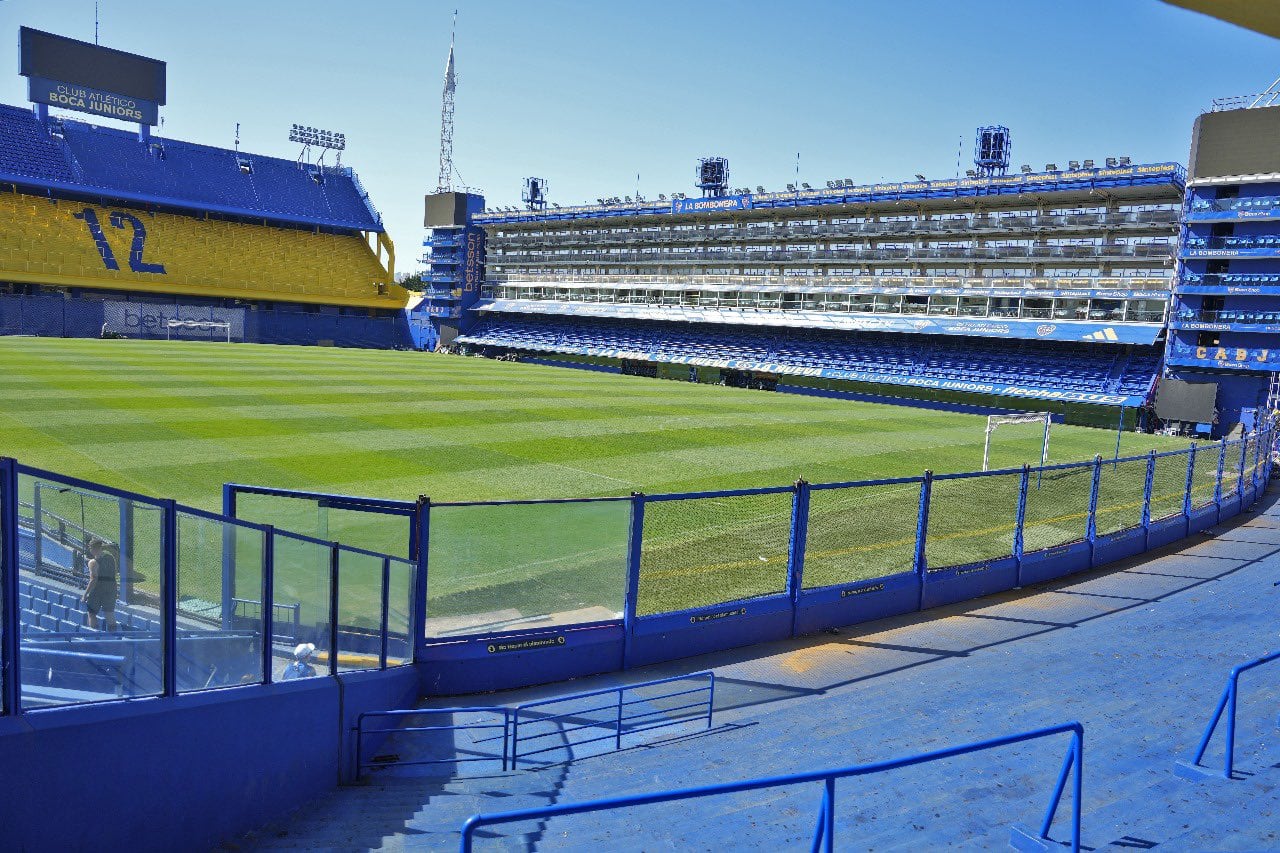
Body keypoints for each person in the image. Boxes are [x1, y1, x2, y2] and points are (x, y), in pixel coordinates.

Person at [83, 538, 118, 631]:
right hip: (111, 588)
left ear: (93, 548)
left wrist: (85, 594)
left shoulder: (93, 562)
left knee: (91, 613)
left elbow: (93, 579)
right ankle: (114, 637)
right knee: (109, 613)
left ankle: (94, 636)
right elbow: (114, 572)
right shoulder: (111, 558)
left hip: (98, 589)